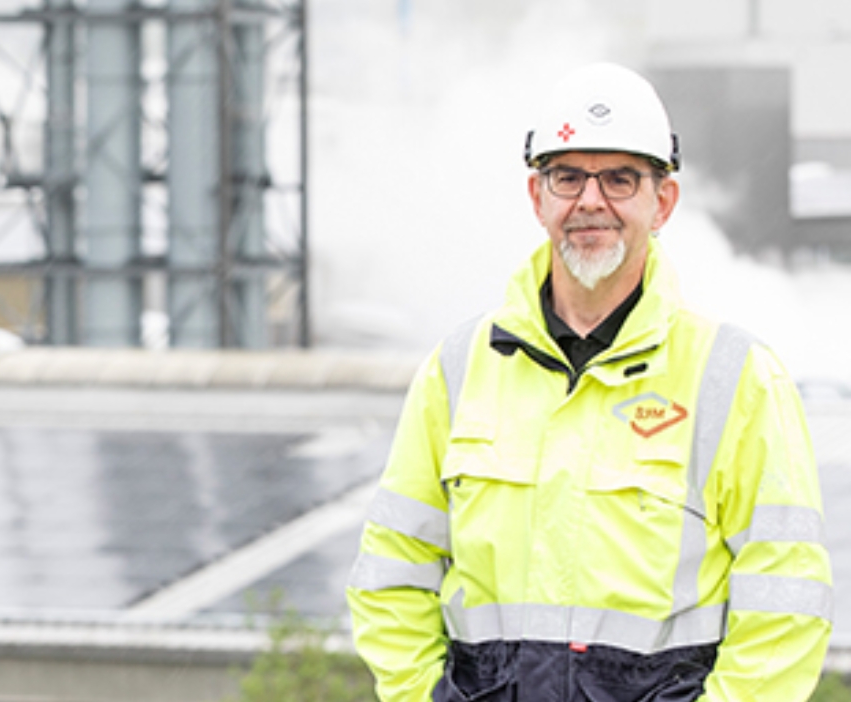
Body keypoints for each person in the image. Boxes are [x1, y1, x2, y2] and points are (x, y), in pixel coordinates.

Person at [346, 62, 833, 702]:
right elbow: (391, 573)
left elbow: (786, 606)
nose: (591, 200)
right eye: (568, 176)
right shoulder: (458, 369)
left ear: (662, 202)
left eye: (621, 178)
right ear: (537, 197)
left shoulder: (738, 379)